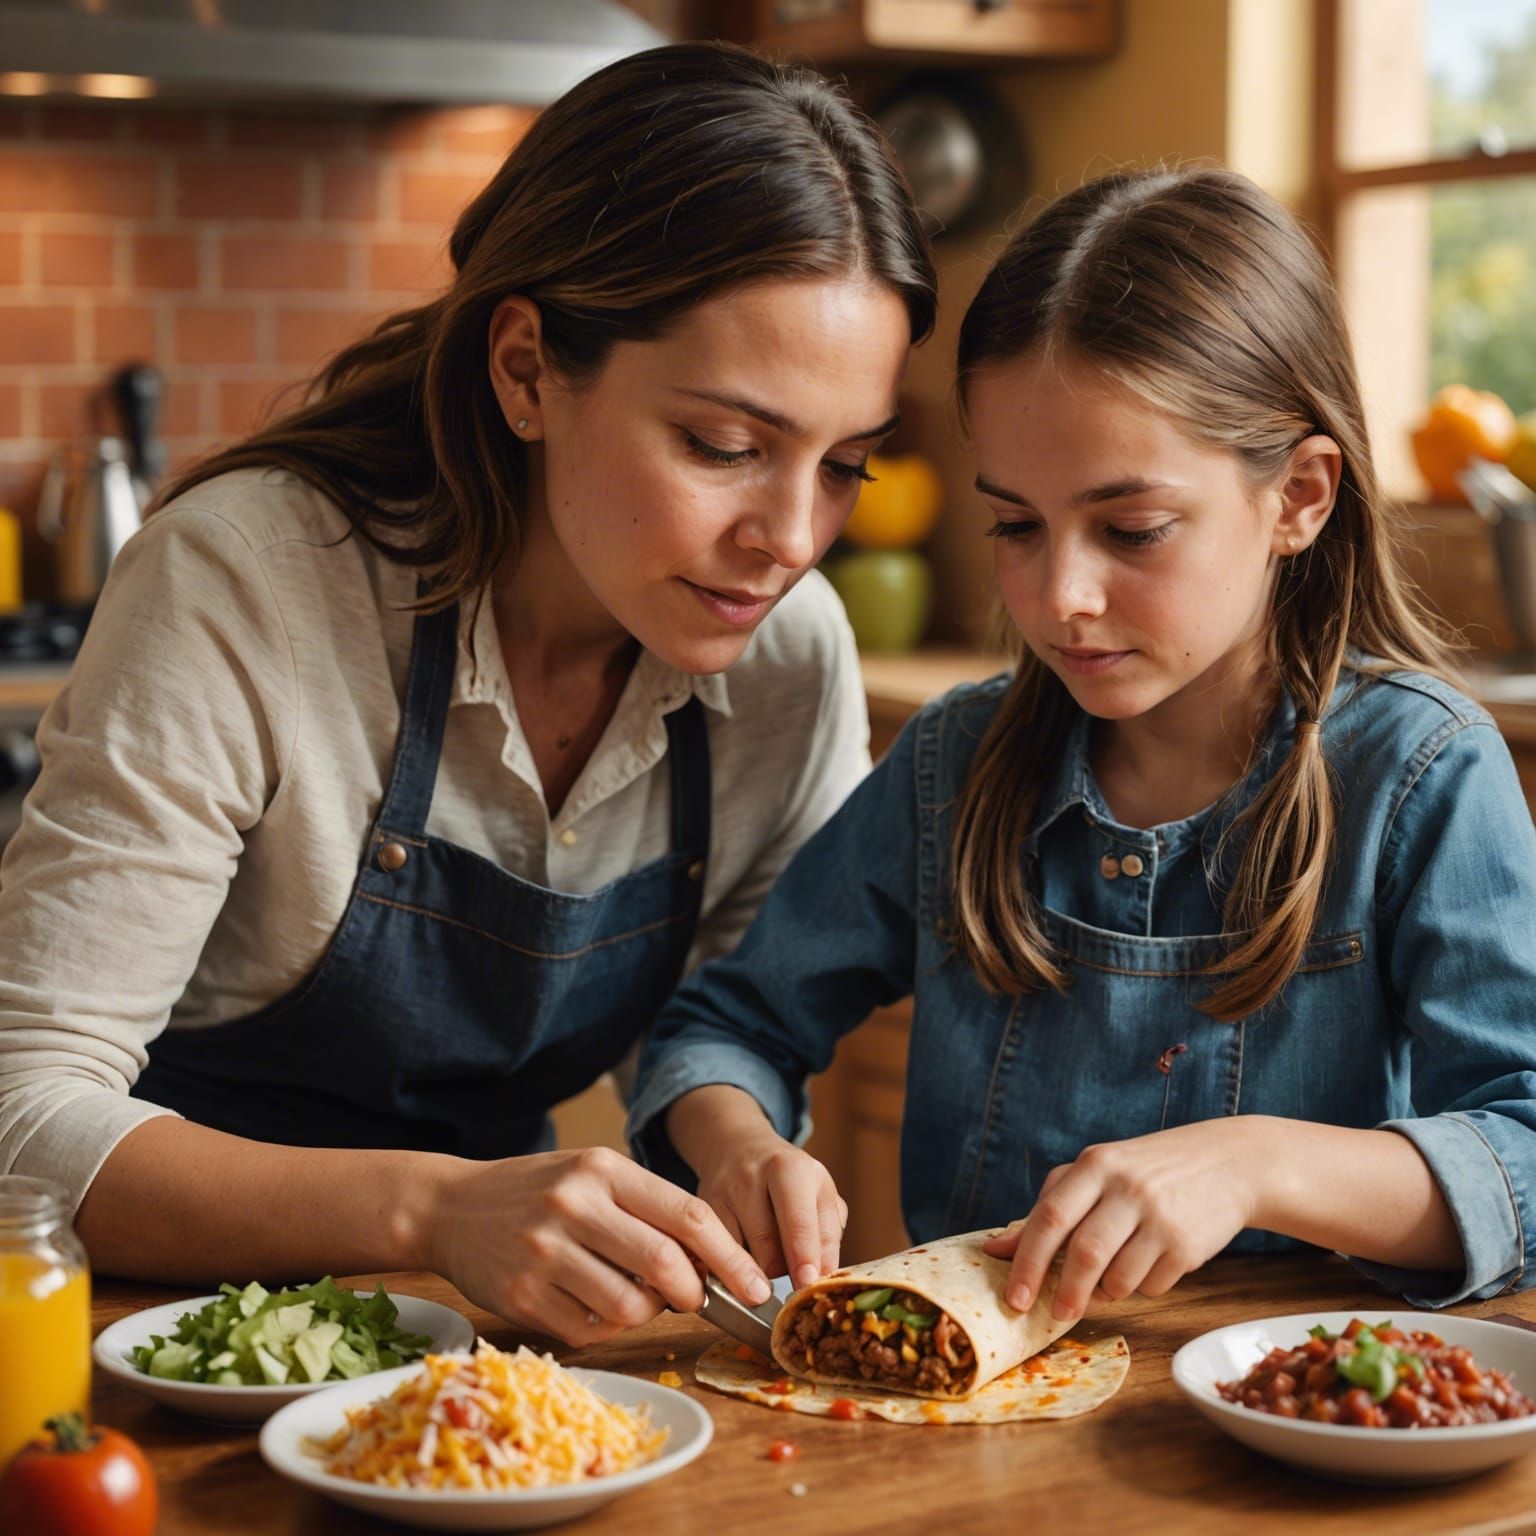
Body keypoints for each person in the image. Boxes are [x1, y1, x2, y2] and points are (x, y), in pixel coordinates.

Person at [0, 41, 936, 1344]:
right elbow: (23, 1115)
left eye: (847, 466)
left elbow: (721, 1013)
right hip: (156, 1345)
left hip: (499, 1353)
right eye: (726, 446)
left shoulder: (788, 654)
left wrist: (732, 1141)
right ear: (524, 370)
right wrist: (439, 1213)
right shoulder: (248, 579)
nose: (789, 536)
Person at [631, 164, 1536, 1322]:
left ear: (1299, 497)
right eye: (1015, 522)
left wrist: (1255, 1163)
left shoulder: (1421, 778)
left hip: (1295, 1444)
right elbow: (724, 1028)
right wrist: (739, 1146)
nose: (1059, 597)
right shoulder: (954, 767)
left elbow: (1519, 1153)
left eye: (1132, 529)